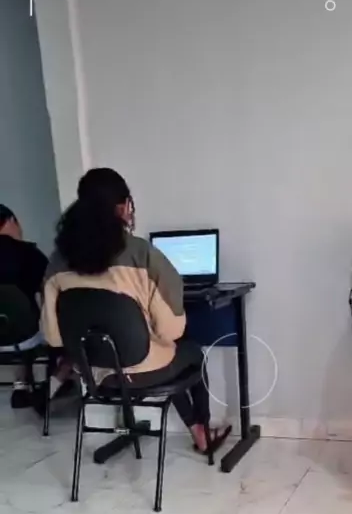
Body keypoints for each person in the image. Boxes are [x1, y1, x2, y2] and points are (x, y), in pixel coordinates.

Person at [41, 168, 230, 453]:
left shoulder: (57, 261)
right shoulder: (142, 253)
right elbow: (170, 331)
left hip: (93, 375)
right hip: (144, 371)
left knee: (165, 353)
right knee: (189, 352)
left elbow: (53, 337)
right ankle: (202, 433)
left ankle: (195, 430)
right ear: (123, 206)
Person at [0, 204, 70, 409]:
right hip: (25, 334)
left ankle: (21, 385)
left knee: (15, 320)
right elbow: (50, 292)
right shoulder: (29, 254)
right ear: (11, 221)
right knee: (42, 325)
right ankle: (52, 384)